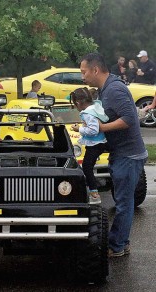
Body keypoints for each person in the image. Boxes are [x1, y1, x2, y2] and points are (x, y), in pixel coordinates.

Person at [80, 53, 148, 257]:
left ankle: (117, 246)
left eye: (84, 72)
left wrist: (101, 127)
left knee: (124, 204)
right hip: (122, 153)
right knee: (122, 201)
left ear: (95, 70)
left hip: (128, 156)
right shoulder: (106, 89)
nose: (82, 76)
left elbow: (129, 119)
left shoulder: (115, 89)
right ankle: (121, 243)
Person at [70, 87, 109, 204]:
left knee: (87, 167)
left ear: (77, 103)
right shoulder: (95, 107)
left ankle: (94, 194)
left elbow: (93, 130)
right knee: (89, 165)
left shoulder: (87, 113)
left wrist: (79, 129)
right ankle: (92, 190)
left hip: (95, 143)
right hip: (101, 142)